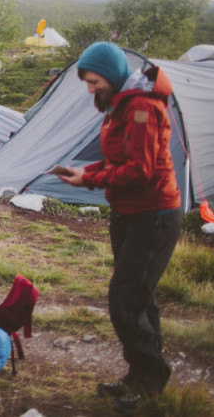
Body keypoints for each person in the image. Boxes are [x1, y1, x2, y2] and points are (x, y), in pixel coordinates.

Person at [57, 42, 181, 413]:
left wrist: (89, 182)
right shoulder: (120, 105)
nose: (90, 89)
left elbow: (141, 172)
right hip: (129, 213)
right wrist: (86, 172)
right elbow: (118, 160)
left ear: (110, 76)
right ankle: (143, 377)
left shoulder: (141, 106)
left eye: (93, 81)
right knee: (140, 298)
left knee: (125, 300)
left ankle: (151, 381)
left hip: (153, 214)